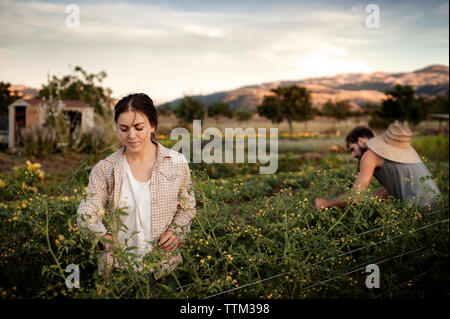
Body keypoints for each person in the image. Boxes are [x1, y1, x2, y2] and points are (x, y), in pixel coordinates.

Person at [77, 93, 196, 279]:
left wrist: (176, 231)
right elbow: (87, 211)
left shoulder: (176, 162)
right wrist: (102, 236)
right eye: (123, 129)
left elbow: (187, 208)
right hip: (118, 271)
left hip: (164, 268)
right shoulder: (105, 169)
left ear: (152, 126)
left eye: (139, 127)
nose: (131, 136)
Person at [313, 123, 441, 212]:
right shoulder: (394, 153)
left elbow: (355, 195)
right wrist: (364, 200)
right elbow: (386, 191)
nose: (353, 155)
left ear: (361, 141)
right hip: (437, 203)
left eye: (352, 149)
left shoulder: (370, 155)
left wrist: (325, 204)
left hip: (421, 209)